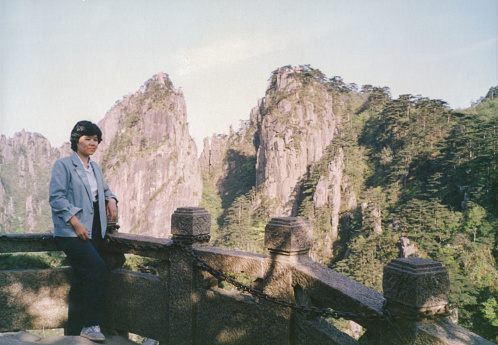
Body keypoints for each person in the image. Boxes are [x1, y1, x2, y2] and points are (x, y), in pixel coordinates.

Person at [49, 120, 118, 342]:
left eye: (96, 139)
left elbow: (105, 190)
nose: (92, 143)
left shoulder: (95, 167)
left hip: (94, 230)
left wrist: (112, 199)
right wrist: (75, 222)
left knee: (81, 278)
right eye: (87, 138)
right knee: (96, 268)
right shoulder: (64, 165)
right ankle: (91, 325)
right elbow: (56, 198)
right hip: (71, 233)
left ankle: (73, 331)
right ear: (76, 140)